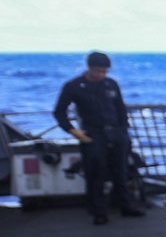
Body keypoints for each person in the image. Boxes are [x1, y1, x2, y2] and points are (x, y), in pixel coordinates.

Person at [53, 51, 145, 224]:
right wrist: (74, 131)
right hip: (92, 134)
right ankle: (99, 212)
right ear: (89, 68)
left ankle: (126, 206)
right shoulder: (74, 86)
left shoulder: (111, 84)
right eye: (98, 71)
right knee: (96, 173)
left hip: (116, 133)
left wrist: (124, 131)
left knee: (121, 170)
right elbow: (59, 112)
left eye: (104, 71)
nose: (101, 75)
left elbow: (120, 109)